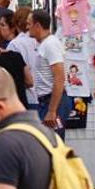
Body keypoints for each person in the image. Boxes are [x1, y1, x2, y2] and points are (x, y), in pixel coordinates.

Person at [27, 9, 71, 139]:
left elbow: (59, 78)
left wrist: (52, 111)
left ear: (37, 26)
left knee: (53, 144)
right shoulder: (43, 44)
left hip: (53, 102)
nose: (27, 27)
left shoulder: (50, 45)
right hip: (47, 101)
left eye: (29, 24)